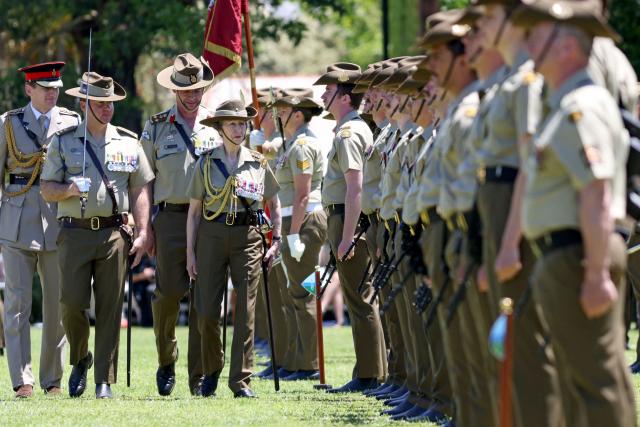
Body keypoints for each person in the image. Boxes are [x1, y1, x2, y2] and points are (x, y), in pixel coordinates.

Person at [511, 1, 636, 425]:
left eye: (536, 33)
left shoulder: (583, 104)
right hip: (564, 253)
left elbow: (597, 193)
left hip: (580, 252)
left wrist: (597, 273)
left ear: (566, 46)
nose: (526, 42)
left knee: (597, 381)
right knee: (574, 379)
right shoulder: (563, 104)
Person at [40, 71, 154, 399]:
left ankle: (104, 378)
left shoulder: (128, 141)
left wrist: (144, 231)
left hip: (113, 234)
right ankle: (80, 359)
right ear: (83, 103)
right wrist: (69, 189)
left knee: (109, 306)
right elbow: (46, 188)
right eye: (100, 103)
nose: (107, 109)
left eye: (111, 104)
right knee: (71, 304)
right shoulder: (64, 141)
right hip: (74, 234)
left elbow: (141, 188)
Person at [186, 99, 281, 398]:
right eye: (233, 124)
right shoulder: (204, 162)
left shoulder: (258, 162)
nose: (239, 129)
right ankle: (212, 368)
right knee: (207, 311)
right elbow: (194, 213)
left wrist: (276, 239)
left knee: (246, 311)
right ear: (220, 128)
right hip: (212, 235)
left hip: (247, 235)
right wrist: (190, 252)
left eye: (242, 124)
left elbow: (275, 204)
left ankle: (241, 379)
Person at [140, 53, 218, 396]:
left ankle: (198, 376)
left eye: (198, 89)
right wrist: (146, 227)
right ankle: (166, 360)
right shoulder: (156, 126)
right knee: (169, 295)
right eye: (186, 91)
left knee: (205, 300)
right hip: (170, 218)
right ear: (175, 90)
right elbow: (143, 181)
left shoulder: (218, 125)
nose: (193, 96)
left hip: (210, 221)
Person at [0, 62, 80, 398]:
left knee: (57, 305)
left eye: (56, 87)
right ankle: (22, 381)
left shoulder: (72, 122)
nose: (52, 92)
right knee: (17, 303)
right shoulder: (8, 123)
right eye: (44, 87)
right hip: (16, 219)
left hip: (59, 220)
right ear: (28, 89)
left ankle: (53, 380)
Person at [314, 62, 387, 393]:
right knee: (361, 296)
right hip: (342, 216)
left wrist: (347, 237)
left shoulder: (349, 133)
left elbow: (355, 188)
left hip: (348, 217)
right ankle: (372, 371)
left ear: (344, 97)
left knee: (360, 298)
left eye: (329, 91)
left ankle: (369, 375)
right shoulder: (349, 130)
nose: (324, 95)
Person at [271, 91, 327, 381]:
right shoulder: (292, 143)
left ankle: (308, 363)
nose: (278, 114)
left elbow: (303, 195)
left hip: (302, 220)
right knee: (293, 292)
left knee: (304, 292)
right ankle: (295, 360)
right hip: (295, 219)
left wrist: (293, 235)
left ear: (297, 113)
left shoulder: (302, 145)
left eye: (283, 109)